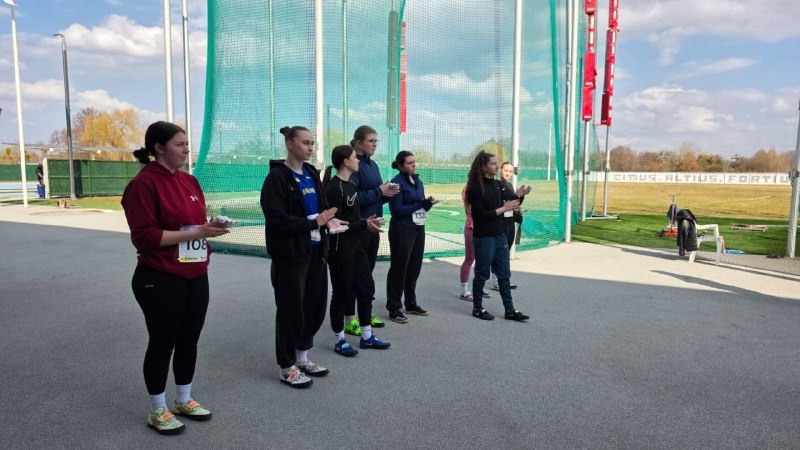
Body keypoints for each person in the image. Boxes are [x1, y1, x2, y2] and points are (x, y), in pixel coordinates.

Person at [122, 121, 230, 435]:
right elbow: (144, 237)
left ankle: (183, 399)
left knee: (189, 339)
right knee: (162, 342)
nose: (186, 150)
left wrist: (209, 226)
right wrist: (199, 232)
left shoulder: (189, 181)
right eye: (179, 144)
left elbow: (191, 225)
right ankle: (158, 409)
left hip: (195, 273)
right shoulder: (143, 184)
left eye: (186, 144)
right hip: (159, 276)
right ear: (158, 148)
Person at [260, 125, 344, 388]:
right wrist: (314, 222)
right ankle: (287, 367)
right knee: (291, 311)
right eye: (306, 142)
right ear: (290, 144)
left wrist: (328, 221)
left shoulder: (310, 173)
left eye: (312, 143)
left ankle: (302, 357)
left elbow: (320, 210)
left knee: (314, 308)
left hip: (316, 252)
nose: (311, 147)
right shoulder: (277, 178)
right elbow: (276, 220)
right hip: (290, 256)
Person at [323, 144, 391, 356]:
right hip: (339, 250)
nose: (358, 161)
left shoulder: (351, 186)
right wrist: (362, 224)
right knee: (341, 294)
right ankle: (340, 340)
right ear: (346, 162)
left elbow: (352, 219)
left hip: (356, 246)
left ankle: (367, 336)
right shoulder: (334, 188)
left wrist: (366, 222)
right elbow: (336, 224)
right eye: (355, 157)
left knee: (366, 289)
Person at [344, 125, 398, 336]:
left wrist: (386, 194)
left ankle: (364, 313)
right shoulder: (352, 165)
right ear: (358, 142)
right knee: (354, 275)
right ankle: (350, 318)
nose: (375, 144)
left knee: (366, 274)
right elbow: (352, 199)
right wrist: (379, 191)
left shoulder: (373, 165)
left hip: (373, 228)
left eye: (376, 141)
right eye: (371, 141)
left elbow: (374, 196)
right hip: (358, 228)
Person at [466, 151, 531, 321]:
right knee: (482, 274)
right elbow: (480, 215)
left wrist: (519, 196)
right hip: (484, 237)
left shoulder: (497, 184)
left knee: (504, 274)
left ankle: (510, 310)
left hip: (500, 236)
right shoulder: (475, 187)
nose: (497, 166)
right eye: (493, 164)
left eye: (497, 163)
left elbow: (511, 203)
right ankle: (478, 308)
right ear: (483, 167)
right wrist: (503, 209)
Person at [386, 151, 438, 323]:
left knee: (414, 266)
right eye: (409, 163)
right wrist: (420, 204)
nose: (413, 165)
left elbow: (421, 207)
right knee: (399, 267)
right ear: (400, 165)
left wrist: (427, 204)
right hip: (402, 229)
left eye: (414, 162)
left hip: (418, 228)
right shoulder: (396, 183)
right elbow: (397, 211)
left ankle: (410, 303)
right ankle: (394, 307)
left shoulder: (418, 182)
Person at [490, 161, 529, 290]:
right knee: (499, 252)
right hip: (499, 222)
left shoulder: (510, 186)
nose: (508, 173)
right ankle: (496, 281)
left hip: (510, 222)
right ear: (500, 170)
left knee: (506, 251)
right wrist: (516, 196)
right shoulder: (495, 185)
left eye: (510, 171)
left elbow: (514, 203)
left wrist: (521, 196)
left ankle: (504, 279)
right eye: (506, 170)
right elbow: (502, 203)